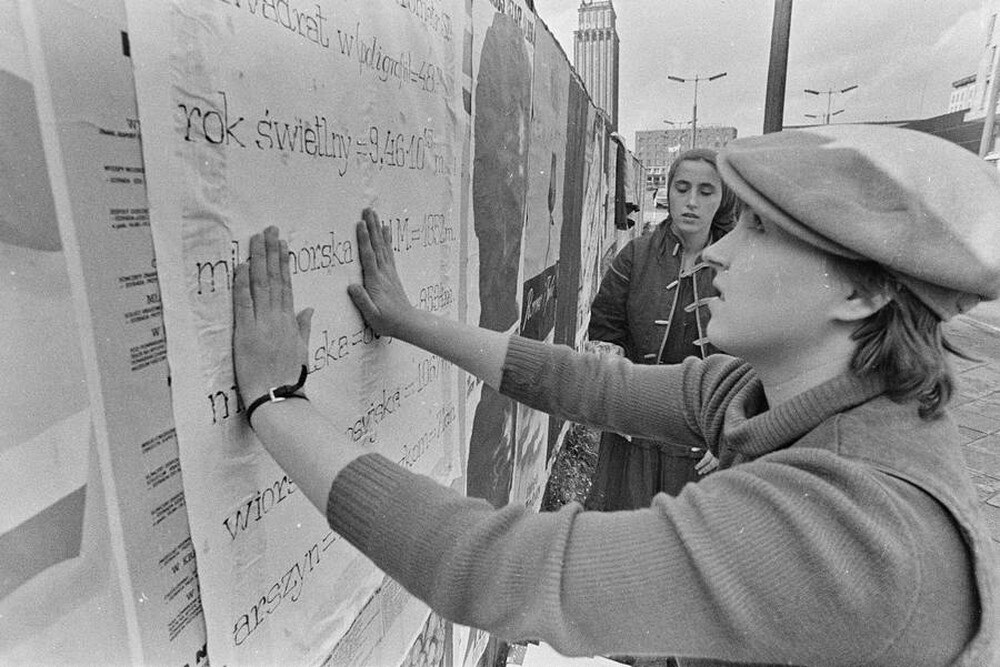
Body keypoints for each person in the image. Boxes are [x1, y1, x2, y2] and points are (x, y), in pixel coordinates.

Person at [231, 125, 1000, 665]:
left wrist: (277, 402)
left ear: (864, 295)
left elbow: (505, 570)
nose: (719, 252)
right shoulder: (792, 391)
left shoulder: (856, 535)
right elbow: (592, 383)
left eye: (760, 231)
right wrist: (409, 320)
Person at [586, 148, 737, 510]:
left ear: (722, 198)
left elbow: (759, 358)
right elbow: (605, 334)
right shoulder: (636, 257)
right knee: (627, 539)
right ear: (667, 192)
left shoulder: (740, 264)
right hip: (634, 431)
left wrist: (731, 433)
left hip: (704, 442)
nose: (691, 202)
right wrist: (615, 405)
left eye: (706, 191)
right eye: (682, 188)